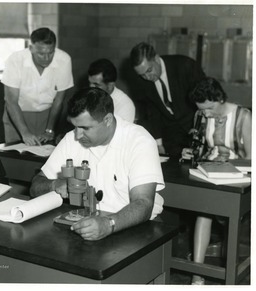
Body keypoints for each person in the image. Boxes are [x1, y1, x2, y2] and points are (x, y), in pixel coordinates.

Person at [30, 87, 164, 241]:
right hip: (91, 222)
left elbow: (144, 203)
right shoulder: (71, 139)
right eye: (75, 126)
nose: (78, 135)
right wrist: (55, 184)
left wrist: (109, 224)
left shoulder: (139, 141)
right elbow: (35, 186)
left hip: (136, 226)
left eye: (85, 128)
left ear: (107, 120)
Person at [181, 77, 252, 285]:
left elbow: (251, 158)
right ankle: (197, 276)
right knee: (204, 212)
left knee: (220, 211)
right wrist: (190, 152)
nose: (206, 114)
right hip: (211, 173)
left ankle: (231, 276)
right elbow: (201, 147)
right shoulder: (202, 115)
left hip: (240, 177)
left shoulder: (243, 117)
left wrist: (229, 162)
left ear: (220, 99)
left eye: (210, 109)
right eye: (202, 110)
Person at [130, 42, 205, 157]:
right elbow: (152, 112)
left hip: (196, 131)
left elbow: (204, 100)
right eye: (142, 75)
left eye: (149, 70)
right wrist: (158, 144)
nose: (147, 77)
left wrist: (200, 130)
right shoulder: (143, 81)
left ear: (156, 58)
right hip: (171, 139)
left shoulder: (185, 66)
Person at [1, 27, 74, 146]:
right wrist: (24, 132)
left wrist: (49, 130)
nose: (46, 58)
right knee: (16, 156)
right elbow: (11, 102)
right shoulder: (15, 60)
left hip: (48, 114)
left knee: (45, 155)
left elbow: (59, 101)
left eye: (51, 53)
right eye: (41, 54)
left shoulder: (64, 60)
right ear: (31, 48)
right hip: (17, 114)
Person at [88, 58, 136, 123]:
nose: (91, 88)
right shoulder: (88, 97)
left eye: (96, 85)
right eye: (90, 83)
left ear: (110, 86)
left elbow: (121, 132)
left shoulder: (125, 105)